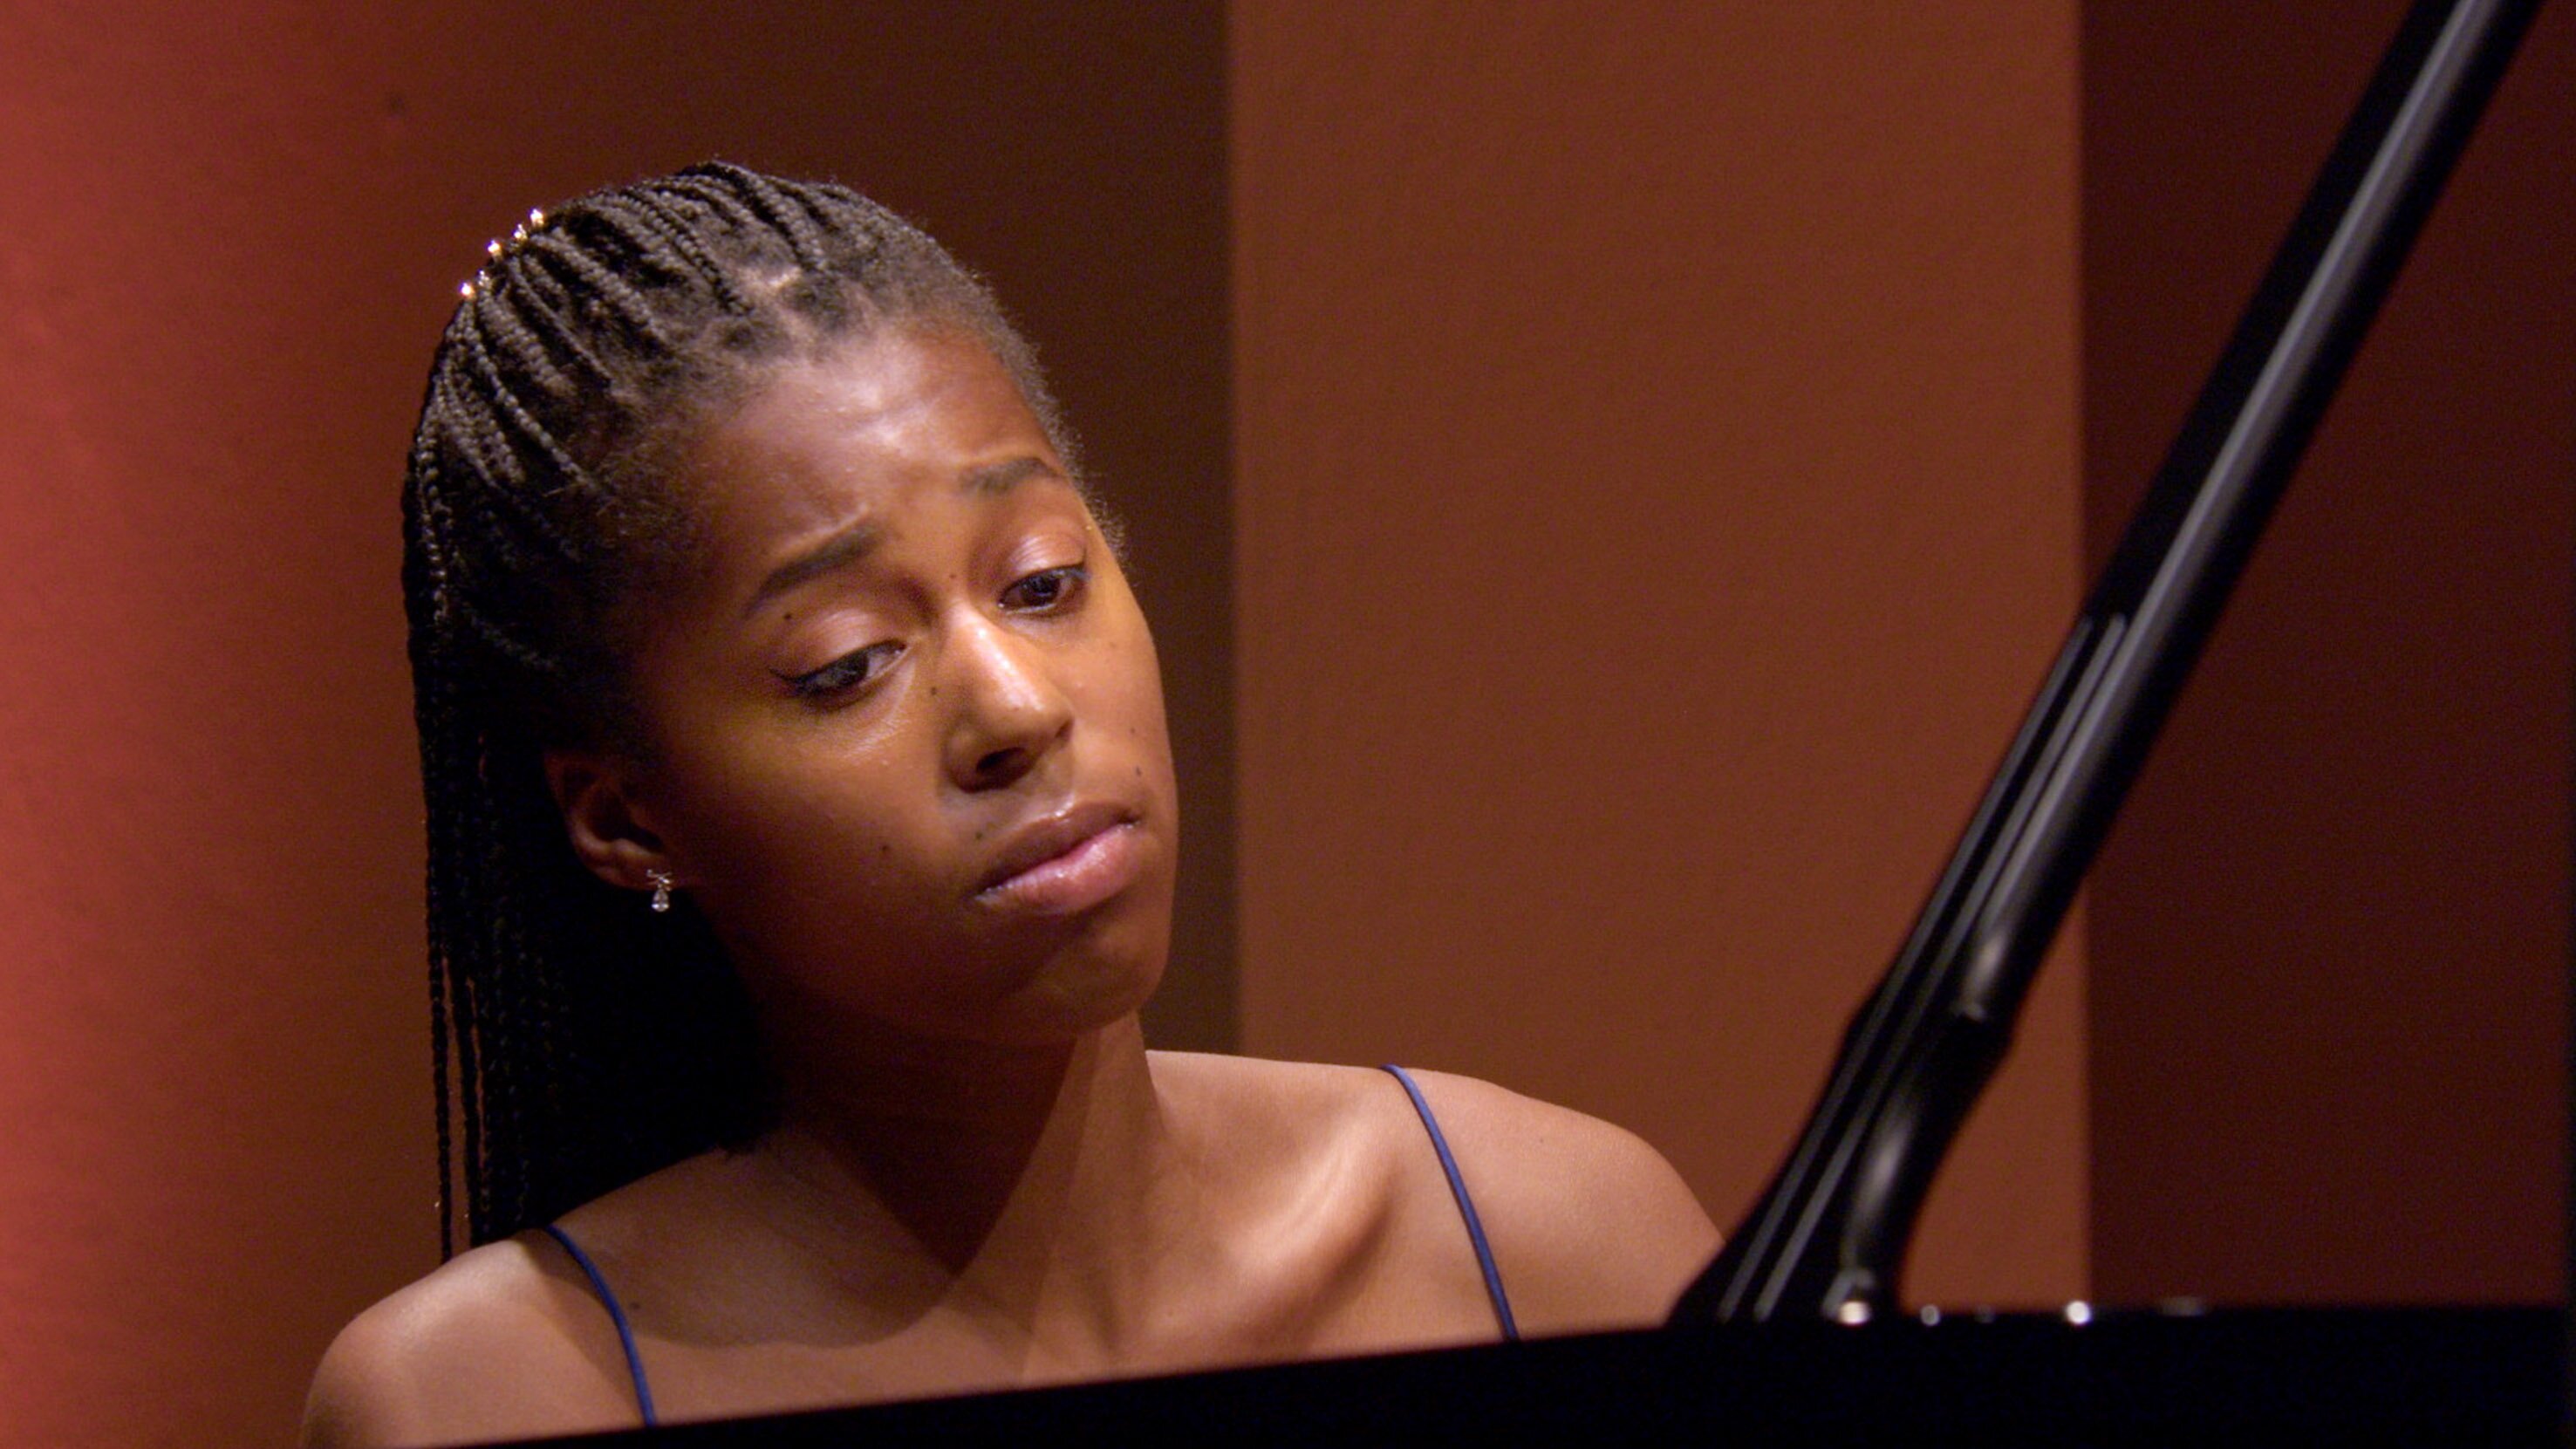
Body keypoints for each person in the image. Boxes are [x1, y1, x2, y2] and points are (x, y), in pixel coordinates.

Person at [302, 162, 1718, 1446]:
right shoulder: (493, 1398)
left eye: (1042, 582)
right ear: (628, 820)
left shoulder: (1550, 1247)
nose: (1017, 707)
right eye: (847, 663)